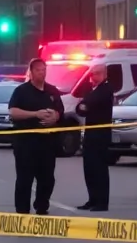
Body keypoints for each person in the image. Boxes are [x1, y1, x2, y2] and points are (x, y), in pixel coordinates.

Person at [7, 58, 65, 215]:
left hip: (47, 143)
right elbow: (13, 112)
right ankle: (22, 211)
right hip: (26, 143)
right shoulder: (21, 91)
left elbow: (60, 111)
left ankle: (41, 206)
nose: (42, 73)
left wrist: (55, 117)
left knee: (47, 179)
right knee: (24, 179)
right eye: (39, 70)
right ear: (31, 72)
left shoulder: (52, 91)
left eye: (44, 69)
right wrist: (35, 114)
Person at [76, 63, 115, 212]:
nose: (93, 77)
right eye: (92, 74)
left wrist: (86, 105)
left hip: (100, 135)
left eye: (97, 74)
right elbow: (80, 108)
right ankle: (92, 199)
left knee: (99, 169)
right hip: (90, 134)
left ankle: (102, 202)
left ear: (104, 74)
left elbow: (90, 103)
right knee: (89, 169)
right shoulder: (92, 89)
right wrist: (84, 105)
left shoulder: (106, 89)